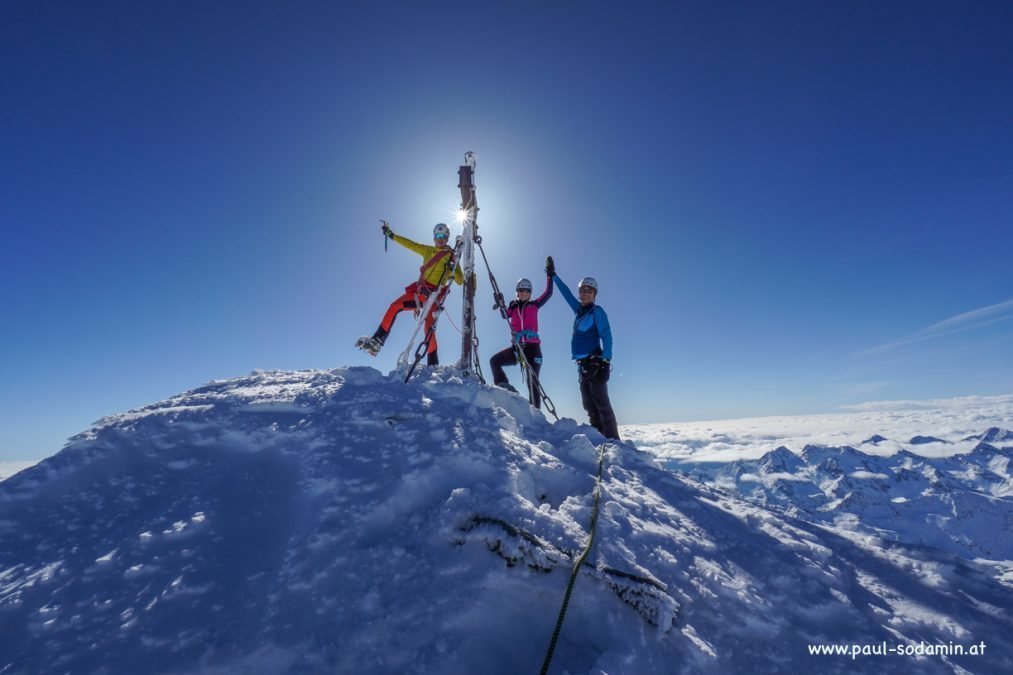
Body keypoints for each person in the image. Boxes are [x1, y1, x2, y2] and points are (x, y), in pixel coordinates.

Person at [356, 222, 464, 365]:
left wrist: (452, 267)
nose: (440, 239)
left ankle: (433, 364)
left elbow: (460, 280)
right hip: (419, 294)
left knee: (428, 329)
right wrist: (391, 235)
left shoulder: (452, 257)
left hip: (433, 298)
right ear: (433, 237)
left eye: (443, 236)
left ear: (447, 238)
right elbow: (410, 244)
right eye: (437, 236)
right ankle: (377, 341)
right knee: (394, 306)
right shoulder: (427, 250)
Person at [551, 271, 620, 440]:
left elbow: (606, 335)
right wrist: (554, 276)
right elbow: (566, 293)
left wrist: (606, 359)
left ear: (594, 294)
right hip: (582, 365)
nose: (585, 294)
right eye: (582, 291)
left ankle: (614, 441)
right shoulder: (579, 310)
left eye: (589, 291)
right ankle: (599, 438)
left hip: (595, 362)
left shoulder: (597, 311)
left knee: (602, 404)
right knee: (589, 405)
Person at [489, 256, 555, 407]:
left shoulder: (535, 305)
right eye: (521, 290)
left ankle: (536, 416)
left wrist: (549, 275)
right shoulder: (513, 306)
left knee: (533, 383)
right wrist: (501, 303)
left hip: (533, 349)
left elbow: (548, 293)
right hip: (517, 349)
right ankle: (504, 386)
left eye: (527, 290)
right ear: (517, 292)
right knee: (494, 361)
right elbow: (504, 315)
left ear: (530, 292)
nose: (524, 293)